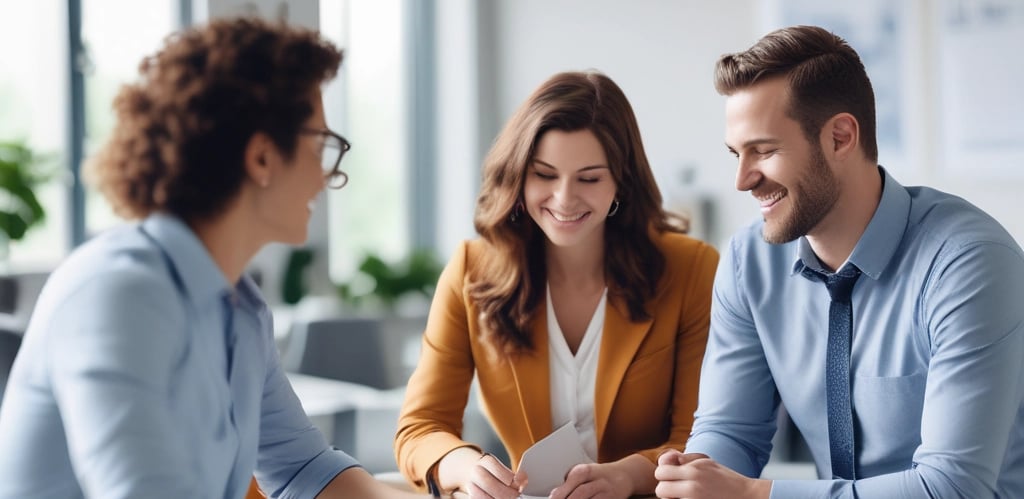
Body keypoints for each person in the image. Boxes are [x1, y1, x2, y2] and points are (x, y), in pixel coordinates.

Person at [0, 18, 428, 499]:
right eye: (319, 147)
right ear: (262, 157)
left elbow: (303, 469)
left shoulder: (241, 309)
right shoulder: (117, 293)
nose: (328, 176)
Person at [654, 25, 1024, 498]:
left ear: (840, 137)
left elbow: (953, 488)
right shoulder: (749, 262)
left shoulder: (969, 265)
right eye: (736, 154)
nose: (742, 180)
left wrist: (753, 494)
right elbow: (730, 431)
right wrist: (693, 477)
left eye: (763, 151)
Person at [394, 70, 719, 499]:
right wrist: (467, 467)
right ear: (518, 174)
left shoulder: (692, 269)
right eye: (544, 175)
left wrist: (627, 476)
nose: (564, 199)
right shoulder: (471, 271)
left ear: (621, 180)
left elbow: (703, 440)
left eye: (589, 178)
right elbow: (421, 427)